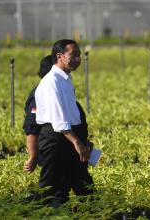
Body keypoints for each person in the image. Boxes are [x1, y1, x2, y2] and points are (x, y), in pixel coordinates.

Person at [35, 39, 94, 207]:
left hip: (69, 136)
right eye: (73, 55)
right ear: (59, 56)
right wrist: (76, 142)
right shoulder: (51, 81)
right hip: (56, 138)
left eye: (79, 55)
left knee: (82, 181)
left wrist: (81, 139)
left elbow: (72, 114)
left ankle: (95, 211)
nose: (78, 59)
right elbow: (58, 119)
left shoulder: (65, 79)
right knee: (50, 187)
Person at [22, 55, 54, 173]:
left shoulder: (58, 89)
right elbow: (32, 127)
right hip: (46, 152)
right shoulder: (40, 93)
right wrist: (33, 156)